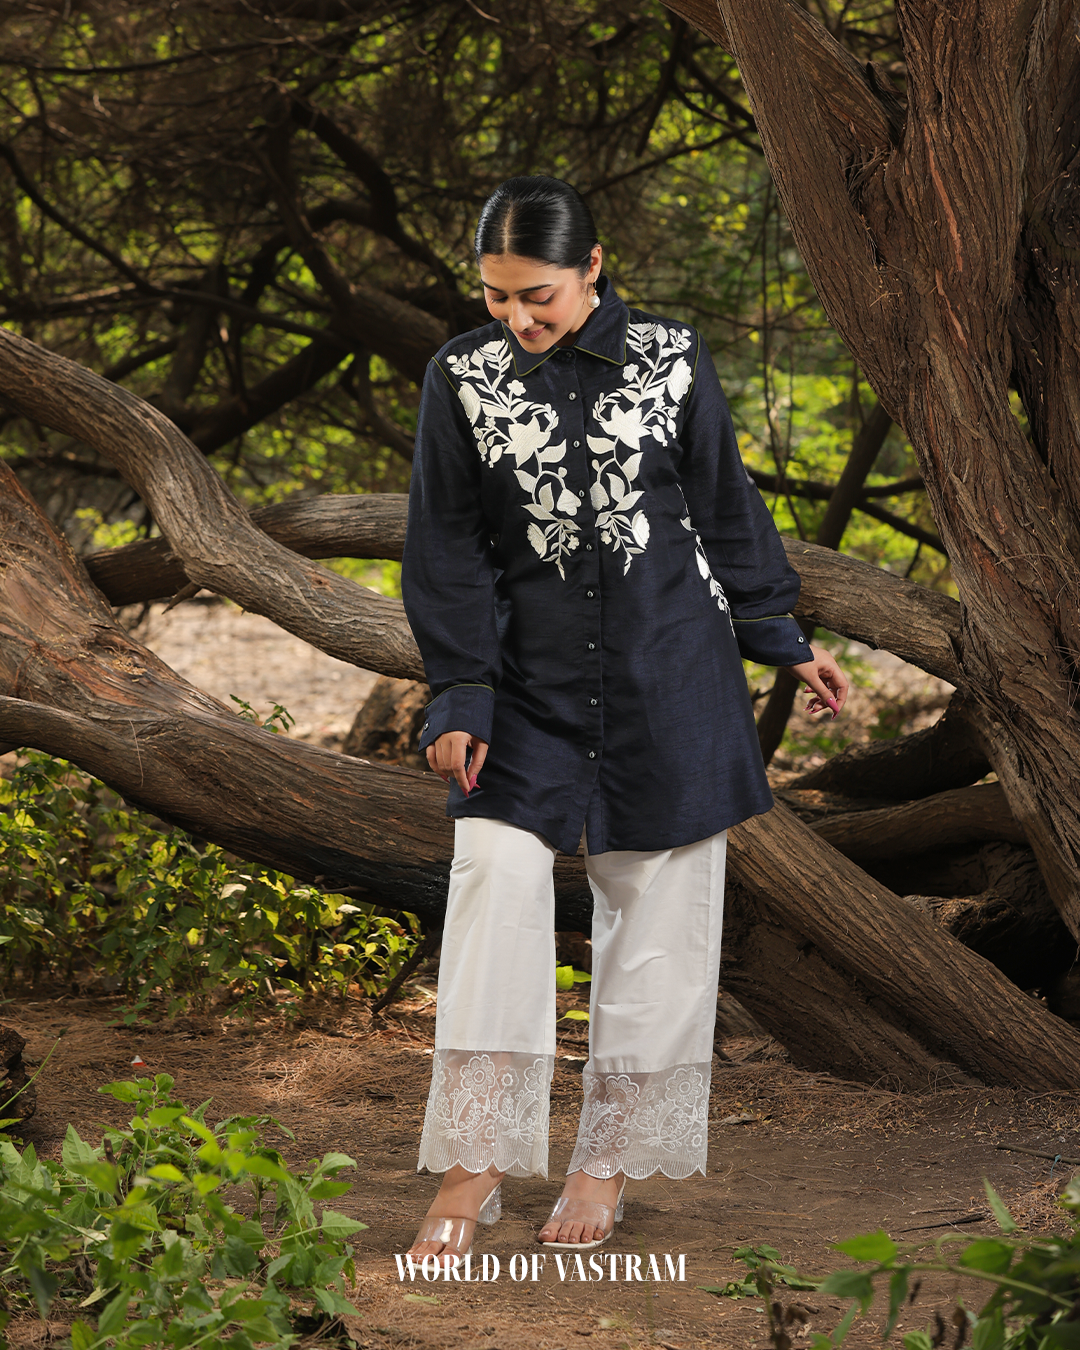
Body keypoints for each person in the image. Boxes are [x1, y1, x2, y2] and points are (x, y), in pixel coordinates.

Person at [400, 175, 847, 1264]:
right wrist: (460, 690)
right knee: (494, 886)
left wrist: (783, 635)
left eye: (537, 295)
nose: (517, 317)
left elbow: (723, 501)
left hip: (669, 674)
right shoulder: (460, 377)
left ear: (592, 267)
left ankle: (604, 1163)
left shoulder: (672, 358)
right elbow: (447, 541)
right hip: (525, 688)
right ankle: (474, 1163)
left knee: (658, 920)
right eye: (497, 295)